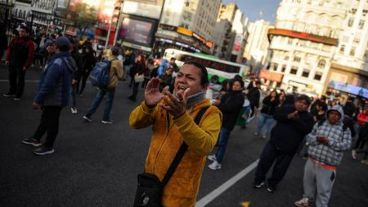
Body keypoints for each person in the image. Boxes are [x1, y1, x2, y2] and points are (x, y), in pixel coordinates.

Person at [129, 61, 222, 206]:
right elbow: (134, 123)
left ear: (204, 87)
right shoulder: (164, 101)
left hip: (178, 199)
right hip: (149, 187)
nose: (182, 80)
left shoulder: (210, 113)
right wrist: (147, 105)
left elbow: (206, 147)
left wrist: (181, 116)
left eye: (190, 78)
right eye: (179, 75)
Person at [21, 37, 74, 155]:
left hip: (54, 98)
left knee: (52, 122)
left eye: (54, 44)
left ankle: (48, 146)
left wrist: (38, 100)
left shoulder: (57, 62)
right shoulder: (66, 59)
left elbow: (48, 83)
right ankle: (36, 138)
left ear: (58, 47)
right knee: (47, 119)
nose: (51, 45)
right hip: (59, 97)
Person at [253, 95, 314, 193]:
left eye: (304, 104)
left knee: (280, 168)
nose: (301, 104)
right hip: (274, 142)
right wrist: (289, 116)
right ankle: (258, 180)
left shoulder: (309, 117)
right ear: (295, 101)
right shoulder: (287, 108)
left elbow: (306, 130)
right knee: (264, 162)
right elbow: (276, 116)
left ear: (307, 106)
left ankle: (272, 184)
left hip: (289, 148)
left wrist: (297, 119)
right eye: (299, 102)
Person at [294, 106, 352, 207]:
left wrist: (329, 141)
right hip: (311, 161)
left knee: (323, 190)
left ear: (340, 116)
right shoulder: (320, 123)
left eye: (337, 114)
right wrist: (317, 139)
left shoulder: (344, 129)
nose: (334, 116)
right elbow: (309, 137)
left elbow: (346, 145)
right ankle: (307, 201)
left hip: (328, 166)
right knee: (308, 185)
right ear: (328, 114)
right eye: (332, 113)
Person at [208, 79, 245, 170]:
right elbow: (223, 103)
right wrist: (218, 101)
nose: (235, 86)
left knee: (222, 143)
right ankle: (216, 156)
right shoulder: (229, 93)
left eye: (237, 85)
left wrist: (219, 104)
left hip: (228, 123)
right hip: (222, 120)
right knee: (219, 140)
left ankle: (218, 162)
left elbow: (231, 108)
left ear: (241, 87)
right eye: (234, 85)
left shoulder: (240, 97)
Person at [83, 46, 123, 124]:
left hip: (102, 82)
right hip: (110, 84)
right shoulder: (117, 62)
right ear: (118, 53)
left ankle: (88, 115)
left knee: (97, 100)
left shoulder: (107, 58)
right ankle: (105, 118)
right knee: (109, 102)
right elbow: (120, 75)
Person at [3, 23, 35, 100]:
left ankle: (18, 94)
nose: (21, 33)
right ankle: (12, 91)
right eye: (20, 31)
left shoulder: (30, 43)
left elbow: (30, 56)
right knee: (12, 77)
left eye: (23, 31)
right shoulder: (15, 39)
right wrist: (7, 59)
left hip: (21, 64)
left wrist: (26, 65)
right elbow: (9, 49)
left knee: (20, 80)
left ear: (27, 33)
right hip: (13, 61)